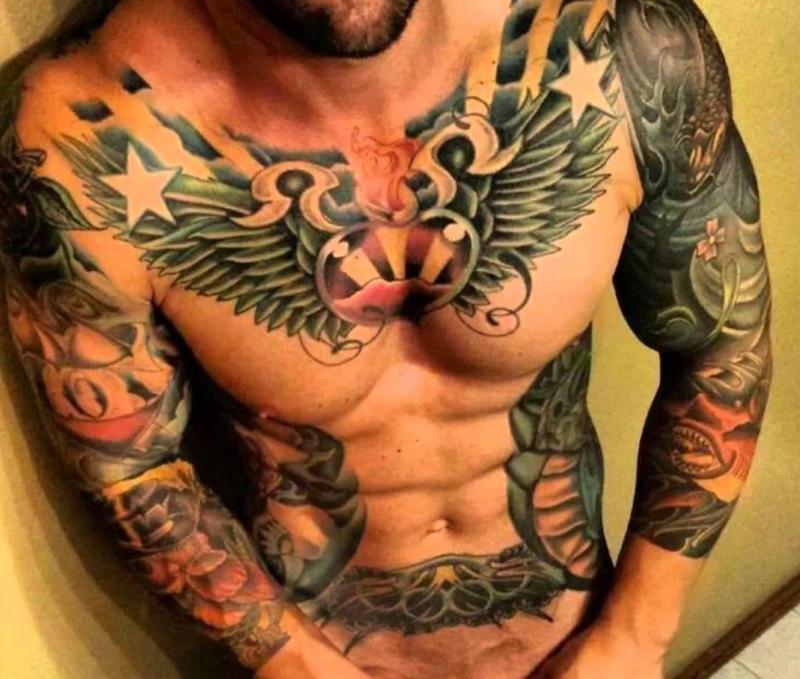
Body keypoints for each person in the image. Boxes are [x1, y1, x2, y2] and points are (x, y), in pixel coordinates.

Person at [0, 0, 772, 677]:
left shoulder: (619, 45)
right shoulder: (81, 145)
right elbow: (130, 463)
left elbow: (722, 344)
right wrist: (292, 662)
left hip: (584, 646)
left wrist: (636, 635)